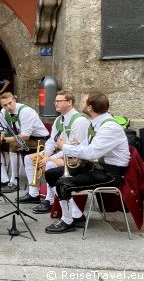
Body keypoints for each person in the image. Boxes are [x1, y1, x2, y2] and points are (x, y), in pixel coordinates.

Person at [44, 91, 130, 234]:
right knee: (51, 174)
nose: (81, 104)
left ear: (89, 107)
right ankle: (77, 215)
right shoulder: (96, 123)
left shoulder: (109, 127)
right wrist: (74, 146)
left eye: (84, 102)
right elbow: (86, 147)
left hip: (109, 174)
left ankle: (67, 220)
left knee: (63, 183)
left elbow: (92, 153)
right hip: (94, 167)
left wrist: (65, 146)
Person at [20, 90, 89, 217]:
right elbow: (52, 141)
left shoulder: (80, 121)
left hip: (76, 158)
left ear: (69, 102)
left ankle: (49, 200)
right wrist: (45, 154)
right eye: (55, 101)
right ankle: (34, 194)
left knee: (50, 165)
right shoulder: (58, 119)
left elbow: (77, 148)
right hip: (61, 153)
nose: (55, 104)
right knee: (29, 159)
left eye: (59, 101)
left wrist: (49, 159)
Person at [0, 93, 49, 193]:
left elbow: (25, 136)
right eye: (5, 105)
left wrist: (2, 140)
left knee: (14, 145)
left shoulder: (25, 111)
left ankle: (14, 181)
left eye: (10, 103)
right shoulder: (3, 112)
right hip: (20, 138)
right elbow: (2, 129)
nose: (8, 107)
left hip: (39, 140)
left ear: (14, 100)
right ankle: (4, 179)